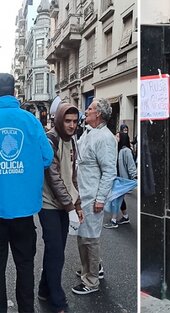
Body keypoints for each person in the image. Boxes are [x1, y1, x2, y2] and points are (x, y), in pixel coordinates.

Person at [0, 73, 53, 312]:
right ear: (14, 92)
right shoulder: (30, 121)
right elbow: (47, 157)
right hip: (23, 213)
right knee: (25, 266)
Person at [39, 103, 84, 312]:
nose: (72, 125)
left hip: (65, 206)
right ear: (58, 119)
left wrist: (78, 203)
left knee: (55, 251)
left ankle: (44, 289)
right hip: (49, 205)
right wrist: (71, 207)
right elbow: (54, 178)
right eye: (67, 121)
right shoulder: (50, 139)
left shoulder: (71, 141)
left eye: (75, 121)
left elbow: (72, 176)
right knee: (57, 253)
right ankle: (58, 300)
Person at [73, 98, 117, 295]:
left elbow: (109, 171)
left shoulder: (105, 138)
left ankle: (90, 281)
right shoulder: (90, 133)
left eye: (90, 108)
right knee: (83, 235)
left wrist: (100, 199)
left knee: (89, 238)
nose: (86, 111)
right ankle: (92, 268)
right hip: (84, 194)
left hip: (92, 196)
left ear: (98, 114)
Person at [104, 132, 137, 229]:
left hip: (122, 180)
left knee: (115, 198)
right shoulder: (117, 149)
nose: (116, 137)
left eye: (118, 136)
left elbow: (131, 166)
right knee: (119, 198)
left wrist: (134, 177)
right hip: (117, 179)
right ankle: (125, 216)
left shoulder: (126, 151)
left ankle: (114, 220)